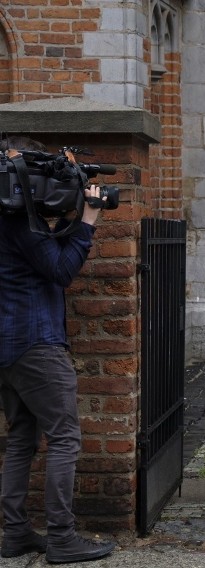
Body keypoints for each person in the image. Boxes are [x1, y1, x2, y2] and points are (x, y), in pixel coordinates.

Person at [0, 136, 116, 563]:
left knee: (21, 439)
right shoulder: (20, 224)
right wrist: (88, 216)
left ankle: (15, 534)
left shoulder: (12, 216)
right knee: (64, 438)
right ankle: (62, 538)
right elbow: (62, 270)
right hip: (36, 344)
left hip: (9, 347)